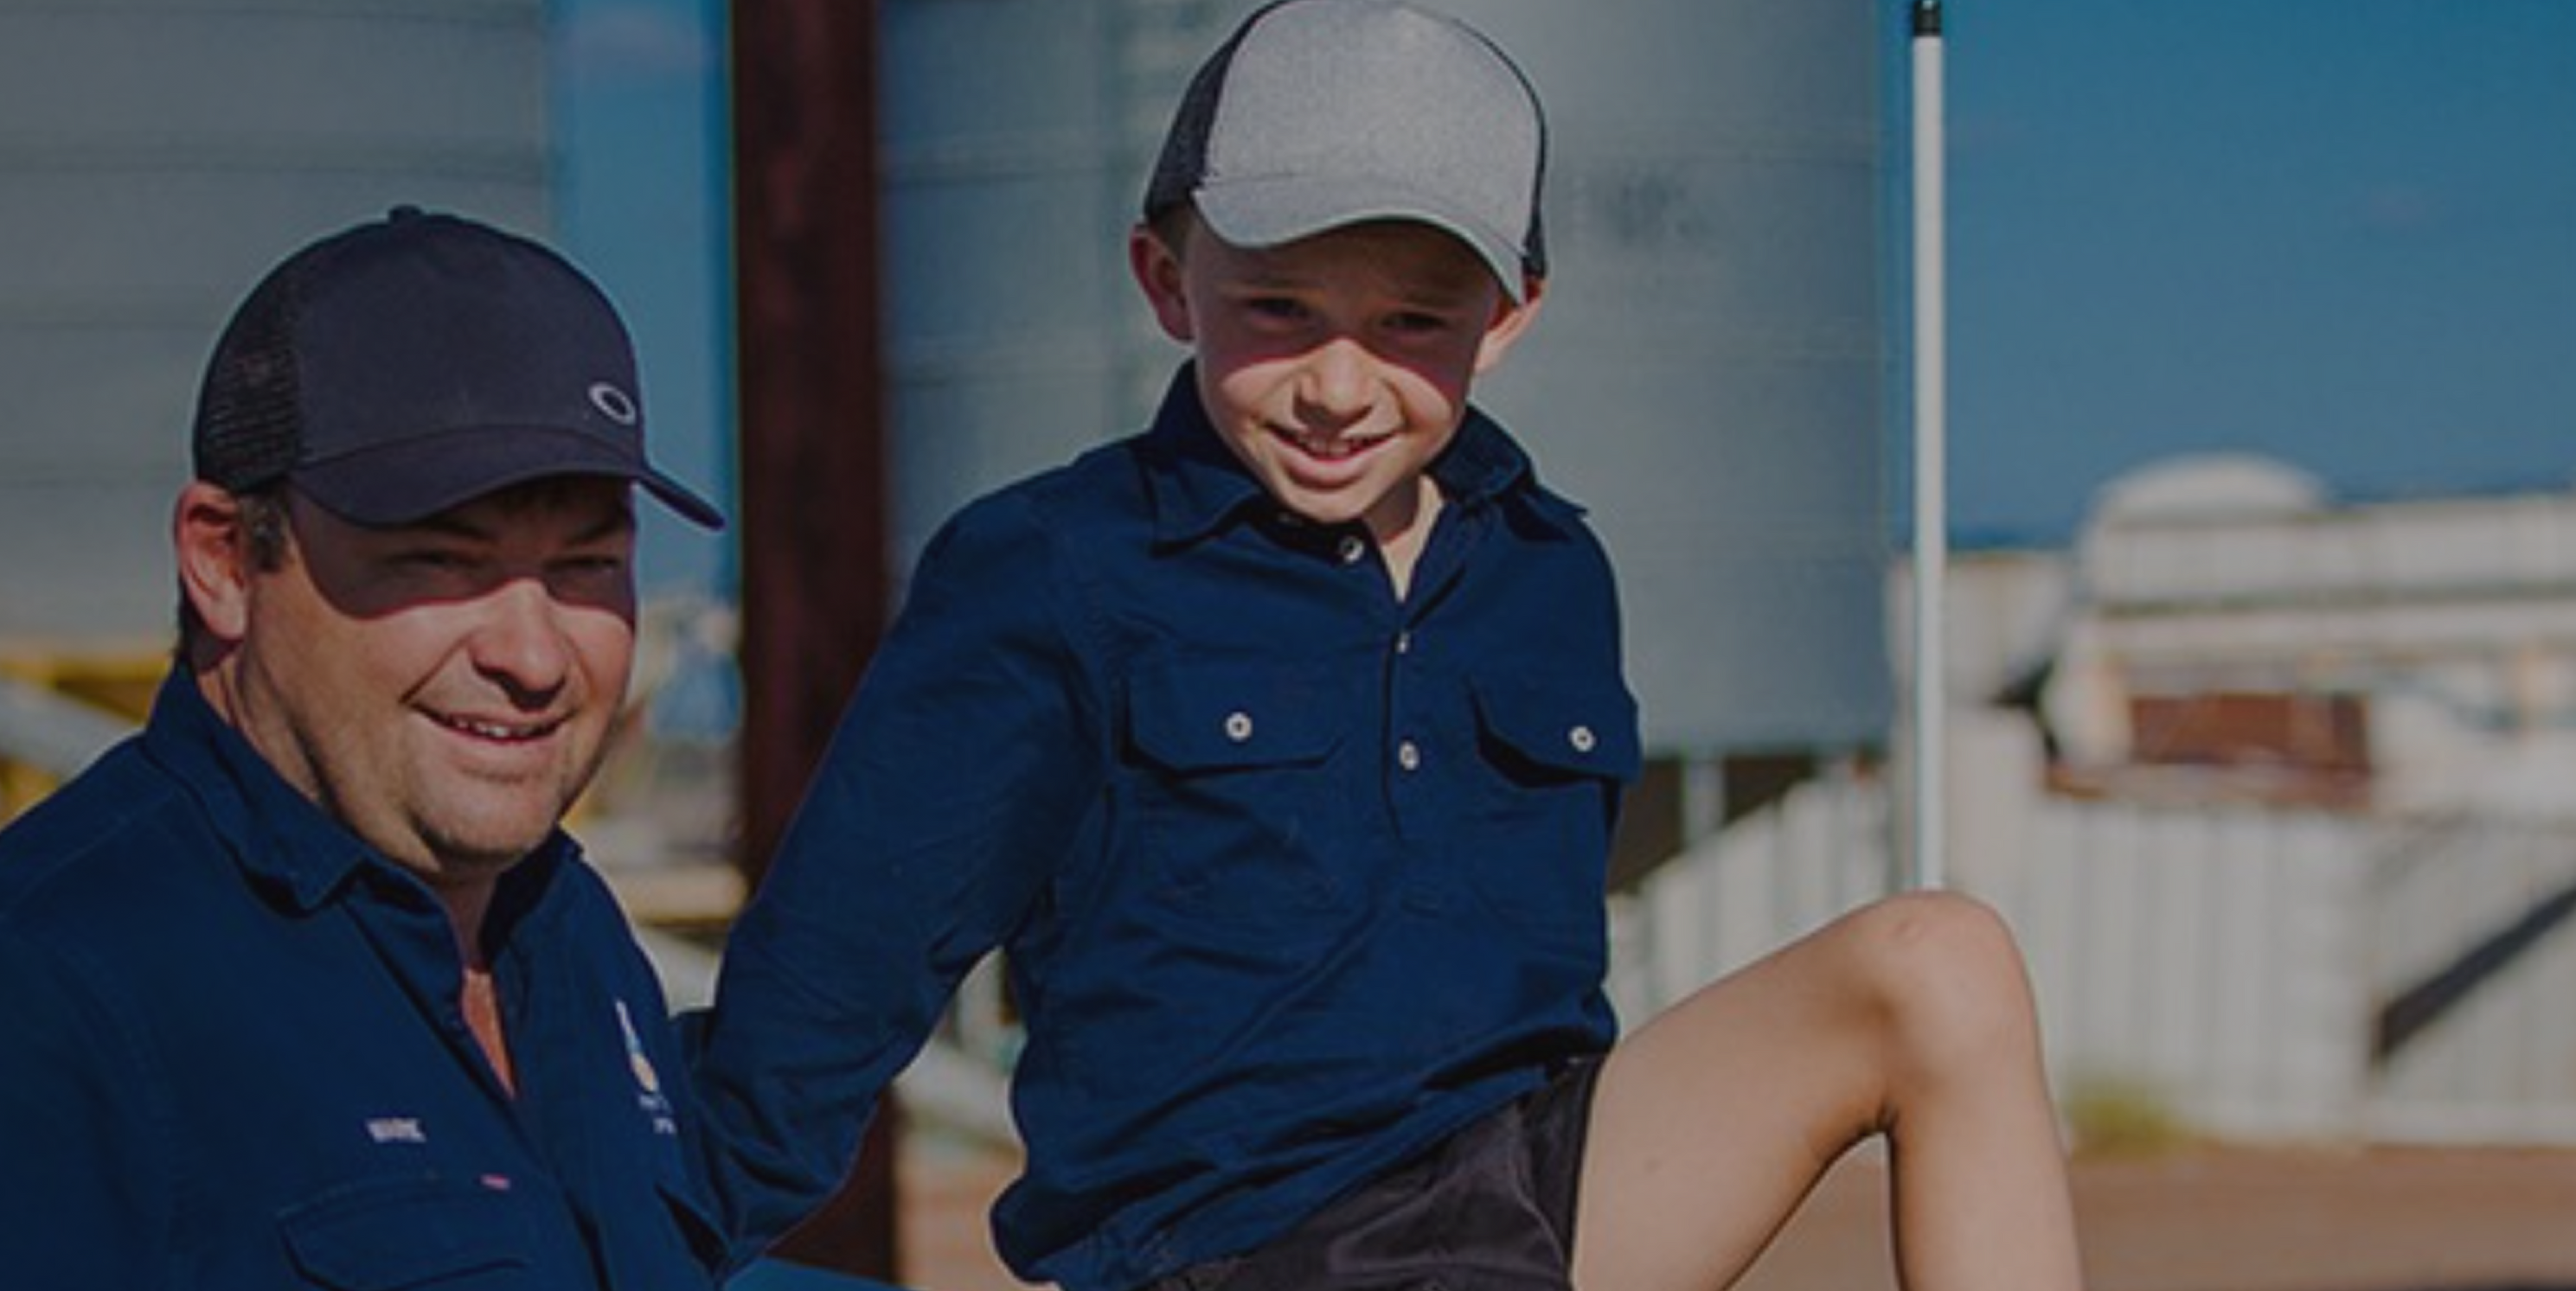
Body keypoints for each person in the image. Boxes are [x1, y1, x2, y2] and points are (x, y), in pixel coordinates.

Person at [689, 3, 2086, 1290]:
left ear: (1511, 315)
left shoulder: (1550, 568)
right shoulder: (1052, 565)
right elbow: (824, 989)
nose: (1340, 385)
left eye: (1413, 321)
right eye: (1279, 309)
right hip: (1231, 1243)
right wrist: (636, 1239)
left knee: (1940, 957)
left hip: (1531, 1200)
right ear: (1166, 281)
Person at [0, 208, 729, 1290]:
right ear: (226, 561)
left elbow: (722, 1160)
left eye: (584, 567)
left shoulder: (554, 930)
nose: (534, 653)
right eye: (440, 561)